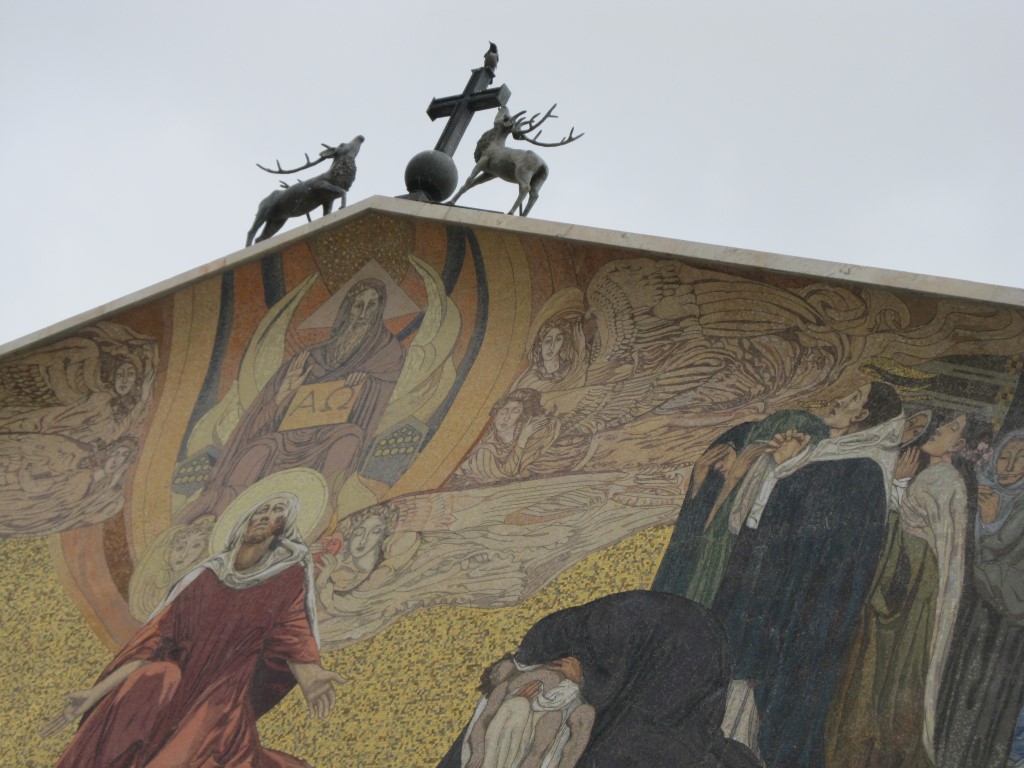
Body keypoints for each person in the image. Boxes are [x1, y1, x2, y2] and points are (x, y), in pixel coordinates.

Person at [44, 478, 342, 768]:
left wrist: (311, 676)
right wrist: (94, 695)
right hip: (170, 691)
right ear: (246, 520)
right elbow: (154, 643)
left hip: (219, 697)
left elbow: (293, 634)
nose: (266, 515)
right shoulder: (207, 576)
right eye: (261, 510)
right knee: (158, 675)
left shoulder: (286, 577)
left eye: (277, 511)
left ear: (285, 527)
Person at [711, 381, 904, 768]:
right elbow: (763, 526)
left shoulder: (864, 468)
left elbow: (807, 535)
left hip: (803, 614)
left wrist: (787, 468)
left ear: (863, 415)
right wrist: (788, 466)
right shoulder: (829, 455)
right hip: (777, 603)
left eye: (852, 398)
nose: (839, 400)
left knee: (771, 716)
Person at [825, 410, 988, 767]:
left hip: (909, 602)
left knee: (884, 683)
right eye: (943, 422)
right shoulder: (934, 476)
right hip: (911, 596)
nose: (938, 429)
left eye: (952, 428)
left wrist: (897, 485)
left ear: (960, 444)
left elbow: (915, 550)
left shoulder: (942, 480)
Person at [436, 591, 760, 768]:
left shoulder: (592, 632)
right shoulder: (580, 627)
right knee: (688, 736)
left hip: (682, 656)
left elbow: (610, 690)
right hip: (700, 644)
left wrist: (582, 680)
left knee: (625, 748)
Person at [181, 278, 405, 521]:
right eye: (358, 305)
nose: (363, 314)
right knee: (260, 447)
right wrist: (286, 391)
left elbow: (383, 398)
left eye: (372, 305)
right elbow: (265, 416)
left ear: (380, 309)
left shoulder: (387, 352)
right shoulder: (309, 356)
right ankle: (229, 513)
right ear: (346, 309)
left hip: (334, 433)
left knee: (349, 439)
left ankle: (320, 511)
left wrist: (367, 385)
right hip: (289, 435)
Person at [935, 428, 1024, 768]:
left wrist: (989, 526)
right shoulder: (978, 492)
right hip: (965, 620)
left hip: (1002, 636)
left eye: (1020, 458)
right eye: (1005, 456)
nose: (1010, 466)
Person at [462, 655, 595, 768]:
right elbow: (483, 720)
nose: (497, 673)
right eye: (495, 674)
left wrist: (575, 681)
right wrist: (478, 751)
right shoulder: (503, 688)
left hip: (561, 707)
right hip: (528, 730)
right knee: (547, 716)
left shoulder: (530, 670)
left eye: (498, 668)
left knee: (585, 713)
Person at [0, 433, 138, 536]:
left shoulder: (107, 489)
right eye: (116, 453)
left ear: (125, 463)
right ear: (109, 452)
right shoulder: (81, 466)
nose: (116, 460)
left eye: (124, 457)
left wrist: (115, 477)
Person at [448, 389, 589, 488]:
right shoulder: (484, 450)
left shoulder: (521, 433)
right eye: (504, 410)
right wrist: (523, 438)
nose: (507, 417)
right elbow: (507, 472)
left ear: (522, 417)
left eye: (515, 411)